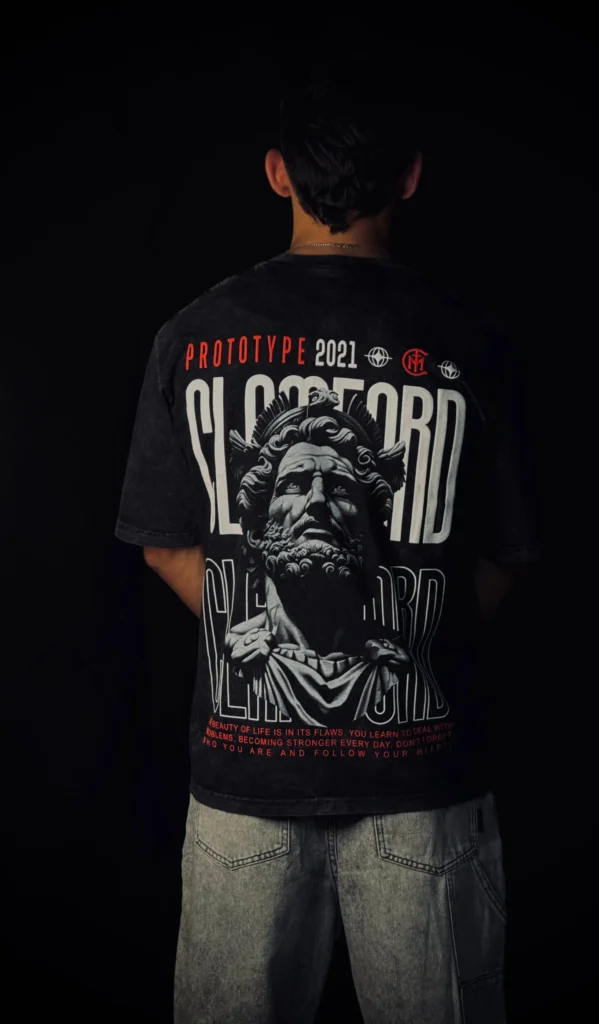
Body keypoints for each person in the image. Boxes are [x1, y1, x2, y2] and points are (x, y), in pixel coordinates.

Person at [115, 55, 540, 1024]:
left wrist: (371, 628)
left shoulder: (193, 335)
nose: (314, 502)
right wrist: (391, 634)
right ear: (412, 175)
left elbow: (166, 547)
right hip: (390, 791)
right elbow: (504, 559)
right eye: (293, 485)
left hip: (292, 794)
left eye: (337, 486)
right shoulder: (473, 343)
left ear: (277, 173)